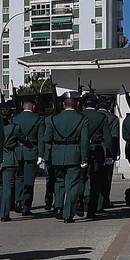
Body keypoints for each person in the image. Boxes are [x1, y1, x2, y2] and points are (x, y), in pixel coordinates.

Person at [45, 93, 90, 222]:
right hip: (74, 153)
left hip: (57, 154)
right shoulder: (82, 119)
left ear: (63, 104)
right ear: (75, 104)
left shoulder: (53, 119)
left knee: (59, 181)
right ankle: (68, 214)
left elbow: (47, 138)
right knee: (72, 184)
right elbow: (85, 140)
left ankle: (58, 207)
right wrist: (84, 158)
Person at [8, 94, 43, 214]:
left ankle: (18, 200)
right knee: (29, 180)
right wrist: (41, 154)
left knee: (18, 178)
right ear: (33, 106)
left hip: (17, 151)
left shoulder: (14, 119)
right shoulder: (38, 119)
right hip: (31, 151)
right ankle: (26, 206)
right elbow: (41, 138)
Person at [0, 100, 18, 221]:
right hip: (9, 158)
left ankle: (0, 209)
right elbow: (23, 140)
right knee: (8, 187)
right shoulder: (14, 128)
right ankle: (5, 213)